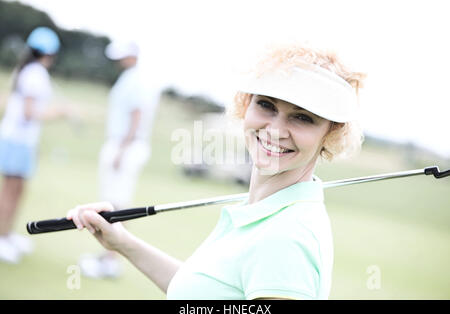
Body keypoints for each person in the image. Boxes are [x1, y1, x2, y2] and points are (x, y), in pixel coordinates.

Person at [66, 43, 365, 299]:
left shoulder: (286, 238)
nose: (275, 130)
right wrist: (122, 243)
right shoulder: (265, 211)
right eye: (266, 105)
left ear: (331, 133)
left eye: (302, 117)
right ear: (245, 105)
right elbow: (203, 294)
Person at [77, 41, 161, 279]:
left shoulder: (135, 80)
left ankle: (112, 261)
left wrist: (122, 149)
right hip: (122, 144)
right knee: (111, 203)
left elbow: (136, 116)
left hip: (126, 146)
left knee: (116, 206)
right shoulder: (130, 78)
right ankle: (109, 258)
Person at [0, 27, 73, 264]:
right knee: (11, 192)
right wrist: (59, 112)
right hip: (16, 141)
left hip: (20, 141)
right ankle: (2, 238)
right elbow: (30, 113)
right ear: (51, 52)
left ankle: (7, 235)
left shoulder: (30, 70)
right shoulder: (35, 73)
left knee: (16, 191)